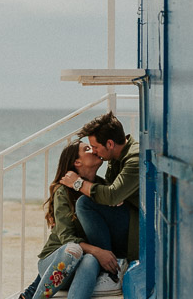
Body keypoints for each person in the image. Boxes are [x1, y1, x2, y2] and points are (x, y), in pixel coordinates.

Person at [0, 141, 120, 299]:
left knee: (90, 259)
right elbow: (67, 237)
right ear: (77, 162)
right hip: (56, 260)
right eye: (87, 149)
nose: (93, 150)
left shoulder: (100, 187)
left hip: (82, 267)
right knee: (74, 250)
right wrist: (97, 250)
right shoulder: (63, 191)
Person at [60, 112, 140, 264]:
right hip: (128, 219)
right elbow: (111, 195)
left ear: (109, 144)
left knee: (85, 204)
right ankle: (102, 258)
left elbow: (111, 196)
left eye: (95, 147)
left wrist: (78, 183)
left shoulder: (134, 158)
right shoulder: (115, 157)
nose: (94, 151)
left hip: (140, 227)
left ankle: (108, 269)